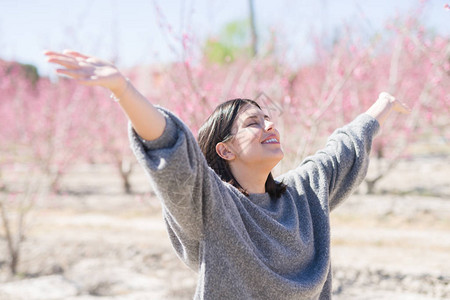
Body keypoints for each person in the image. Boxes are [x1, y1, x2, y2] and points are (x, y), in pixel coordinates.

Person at [45, 50, 410, 299]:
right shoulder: (213, 206)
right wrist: (124, 90)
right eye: (254, 122)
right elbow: (174, 151)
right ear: (226, 149)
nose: (270, 125)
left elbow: (341, 149)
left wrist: (383, 104)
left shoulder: (303, 195)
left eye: (268, 118)